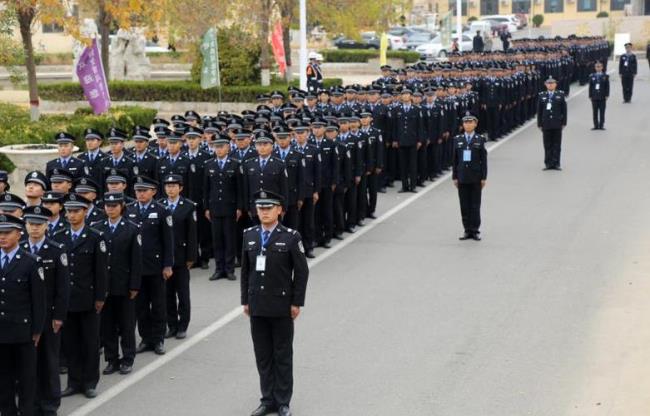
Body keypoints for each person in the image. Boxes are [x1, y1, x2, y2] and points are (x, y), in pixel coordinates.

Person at [241, 190, 309, 416]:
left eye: (269, 208)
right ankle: (267, 399)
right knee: (263, 355)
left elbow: (301, 272)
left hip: (281, 305)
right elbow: (246, 272)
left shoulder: (291, 237)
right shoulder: (249, 235)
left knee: (282, 355)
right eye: (261, 208)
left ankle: (282, 401)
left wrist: (296, 302)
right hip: (257, 305)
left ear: (279, 210)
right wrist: (245, 300)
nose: (264, 212)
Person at [54, 193, 108, 399]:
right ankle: (74, 382)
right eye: (69, 211)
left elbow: (101, 271)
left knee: (90, 343)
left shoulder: (95, 236)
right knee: (71, 343)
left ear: (85, 212)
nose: (71, 215)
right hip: (67, 300)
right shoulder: (59, 236)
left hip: (88, 299)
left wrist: (100, 297)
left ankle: (90, 382)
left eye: (76, 211)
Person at [22, 206, 69, 416]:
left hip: (49, 316)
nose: (34, 228)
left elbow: (63, 287)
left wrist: (59, 315)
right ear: (25, 225)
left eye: (39, 224)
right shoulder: (20, 249)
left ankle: (50, 403)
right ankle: (30, 403)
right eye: (31, 224)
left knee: (49, 361)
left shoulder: (56, 250)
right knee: (28, 364)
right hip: (25, 317)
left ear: (46, 226)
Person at [0, 213, 46, 416]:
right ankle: (7, 411)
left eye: (7, 233)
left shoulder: (30, 262)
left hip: (23, 331)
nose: (2, 237)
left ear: (19, 234)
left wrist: (36, 330)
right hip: (1, 331)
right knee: (3, 377)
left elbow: (39, 300)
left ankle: (27, 411)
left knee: (26, 377)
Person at [94, 192, 142, 376]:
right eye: (107, 205)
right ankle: (112, 359)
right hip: (104, 286)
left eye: (114, 206)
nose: (110, 209)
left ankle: (128, 358)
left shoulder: (132, 228)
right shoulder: (98, 228)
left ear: (121, 206)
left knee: (126, 324)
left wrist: (135, 285)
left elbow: (136, 260)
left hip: (124, 284)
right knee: (107, 325)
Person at [126, 176, 174, 356]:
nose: (140, 194)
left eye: (144, 191)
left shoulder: (162, 211)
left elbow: (168, 241)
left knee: (158, 304)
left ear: (153, 191)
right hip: (136, 267)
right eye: (138, 191)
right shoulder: (129, 210)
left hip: (155, 265)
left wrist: (168, 265)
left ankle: (158, 338)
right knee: (141, 305)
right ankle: (146, 338)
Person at [160, 174, 197, 340]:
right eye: (168, 186)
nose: (170, 189)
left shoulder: (188, 206)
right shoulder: (160, 205)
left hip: (181, 256)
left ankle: (183, 325)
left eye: (174, 186)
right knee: (167, 294)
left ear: (180, 188)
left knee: (182, 293)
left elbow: (192, 234)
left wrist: (191, 257)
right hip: (164, 258)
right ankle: (172, 325)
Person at [452, 113, 488, 241]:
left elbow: (483, 160)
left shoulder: (480, 139)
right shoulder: (457, 139)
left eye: (470, 122)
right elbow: (455, 160)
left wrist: (484, 177)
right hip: (462, 177)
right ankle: (467, 230)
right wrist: (454, 177)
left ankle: (475, 230)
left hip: (475, 176)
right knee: (464, 205)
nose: (468, 124)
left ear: (475, 124)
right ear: (463, 125)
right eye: (466, 123)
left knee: (475, 205)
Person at [537, 76, 567, 171]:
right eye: (548, 83)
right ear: (545, 85)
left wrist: (564, 122)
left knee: (557, 145)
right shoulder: (542, 95)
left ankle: (556, 163)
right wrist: (539, 124)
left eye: (552, 83)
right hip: (546, 124)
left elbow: (564, 110)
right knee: (547, 145)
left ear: (555, 84)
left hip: (557, 123)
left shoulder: (560, 95)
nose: (550, 85)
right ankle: (548, 163)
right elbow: (539, 111)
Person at [588, 61, 610, 130]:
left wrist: (607, 95)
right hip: (594, 96)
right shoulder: (592, 76)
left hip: (602, 96)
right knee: (595, 112)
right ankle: (595, 125)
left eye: (599, 66)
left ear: (602, 67)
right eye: (597, 67)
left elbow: (607, 86)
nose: (598, 68)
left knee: (602, 112)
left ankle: (601, 125)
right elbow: (590, 87)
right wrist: (590, 95)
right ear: (595, 68)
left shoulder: (605, 76)